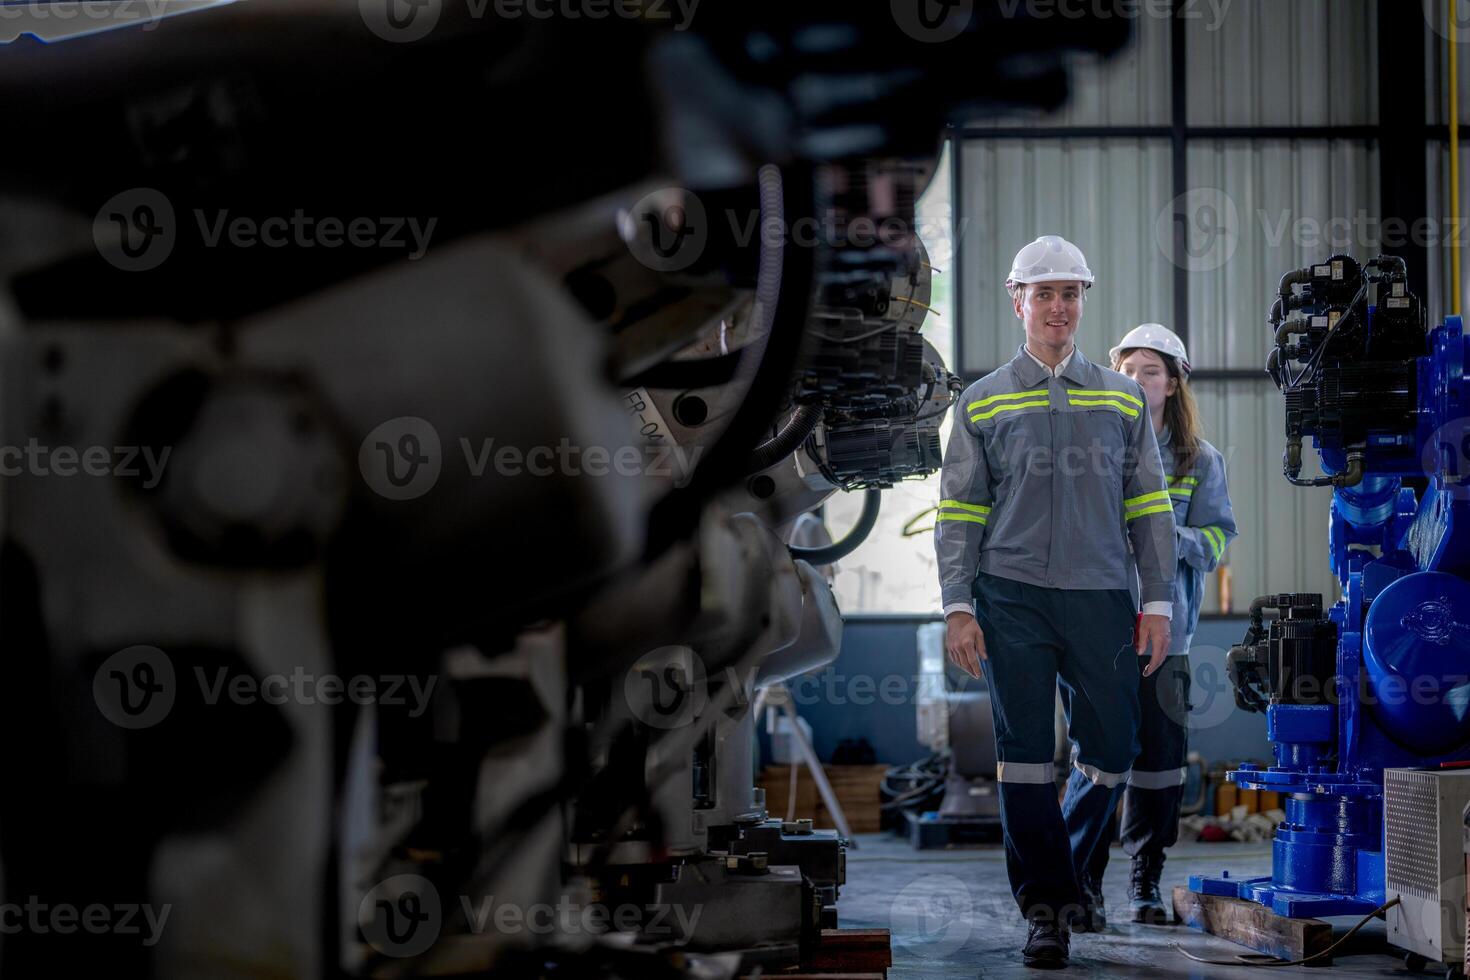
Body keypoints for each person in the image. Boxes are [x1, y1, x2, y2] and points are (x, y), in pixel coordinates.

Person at [934, 235, 1175, 966]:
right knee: (1026, 756)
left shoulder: (1121, 395)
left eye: (1070, 293)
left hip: (1103, 593)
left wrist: (1157, 601)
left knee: (1112, 746)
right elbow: (960, 511)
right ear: (1019, 302)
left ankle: (1065, 867)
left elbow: (1150, 507)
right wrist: (957, 605)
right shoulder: (980, 402)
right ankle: (1047, 910)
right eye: (1045, 293)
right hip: (1010, 598)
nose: (1058, 307)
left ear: (1082, 304)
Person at [1090, 323, 1237, 924]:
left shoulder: (1199, 462)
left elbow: (1217, 535)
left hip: (1166, 638)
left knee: (1160, 763)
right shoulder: (1092, 451)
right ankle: (1085, 879)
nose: (1136, 380)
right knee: (1098, 760)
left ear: (1174, 384)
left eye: (1149, 370)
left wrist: (1165, 534)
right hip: (1097, 631)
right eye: (1125, 370)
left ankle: (1145, 880)